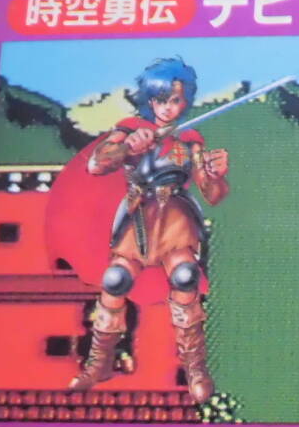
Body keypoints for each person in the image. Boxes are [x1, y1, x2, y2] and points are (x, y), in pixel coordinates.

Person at [47, 57, 229, 403]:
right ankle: (99, 363)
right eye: (161, 100)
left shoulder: (189, 139)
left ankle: (195, 368)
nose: (168, 107)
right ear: (149, 100)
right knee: (116, 279)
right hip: (138, 214)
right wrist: (127, 147)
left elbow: (213, 194)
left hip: (175, 216)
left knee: (185, 275)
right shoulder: (131, 127)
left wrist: (214, 175)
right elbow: (97, 164)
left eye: (175, 100)